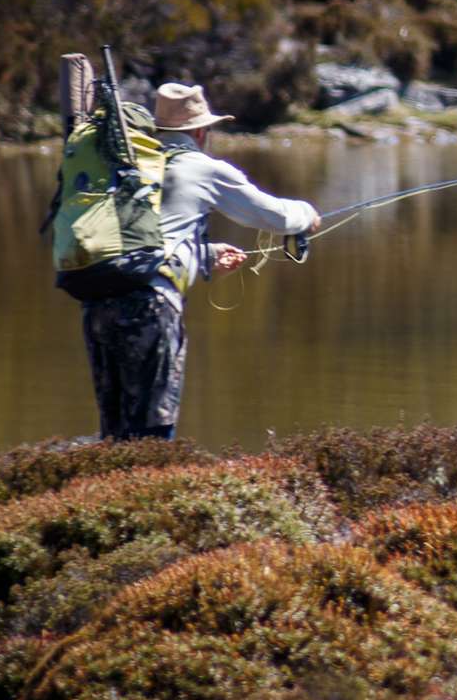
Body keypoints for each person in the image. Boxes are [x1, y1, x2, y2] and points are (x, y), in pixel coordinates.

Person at [82, 81, 320, 441]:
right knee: (153, 433)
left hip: (98, 303)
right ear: (200, 131)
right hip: (150, 309)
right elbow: (274, 217)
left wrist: (205, 256)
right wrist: (307, 214)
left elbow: (146, 238)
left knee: (115, 433)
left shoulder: (133, 166)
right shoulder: (201, 168)